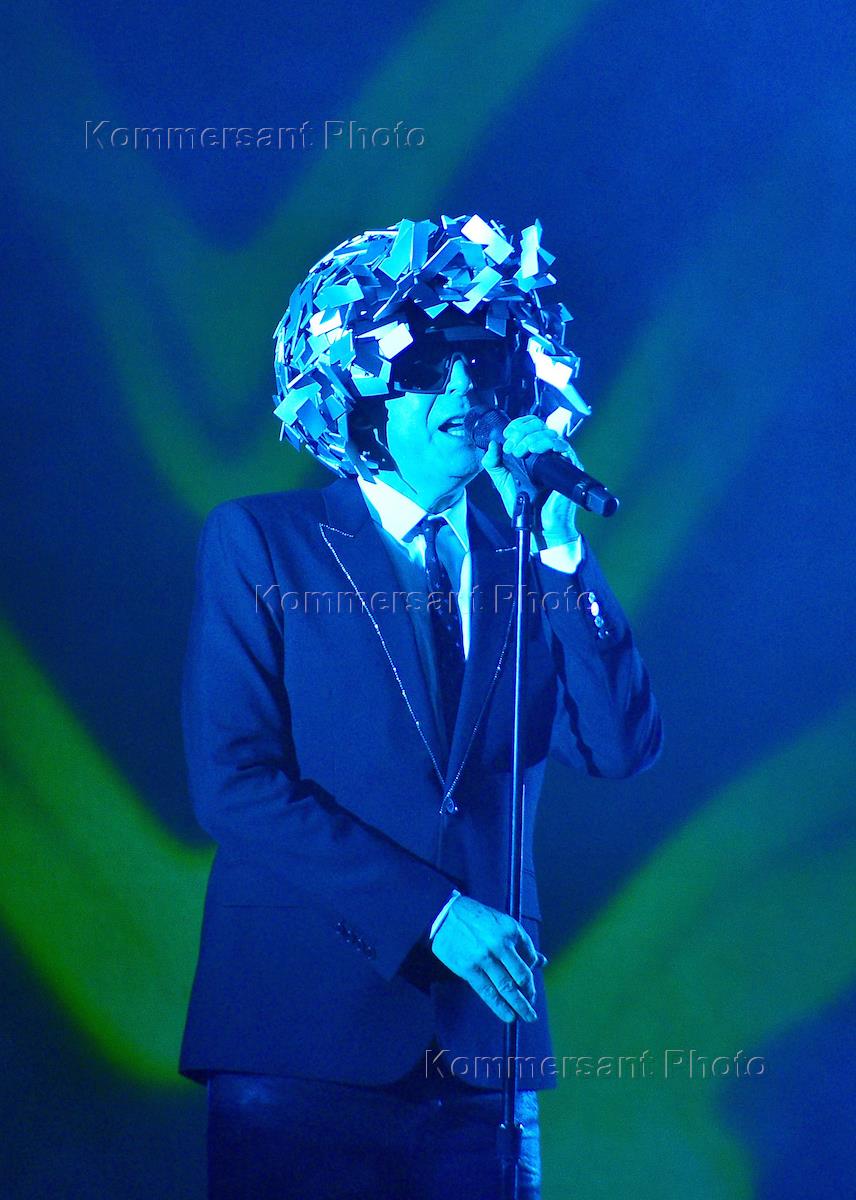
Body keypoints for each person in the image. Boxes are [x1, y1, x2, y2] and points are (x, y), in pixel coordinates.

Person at [178, 214, 662, 1199]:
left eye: (485, 368)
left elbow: (617, 748)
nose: (464, 392)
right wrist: (433, 914)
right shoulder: (265, 542)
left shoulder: (531, 562)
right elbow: (234, 782)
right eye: (429, 370)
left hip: (485, 1064)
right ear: (361, 391)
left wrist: (562, 550)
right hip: (300, 1044)